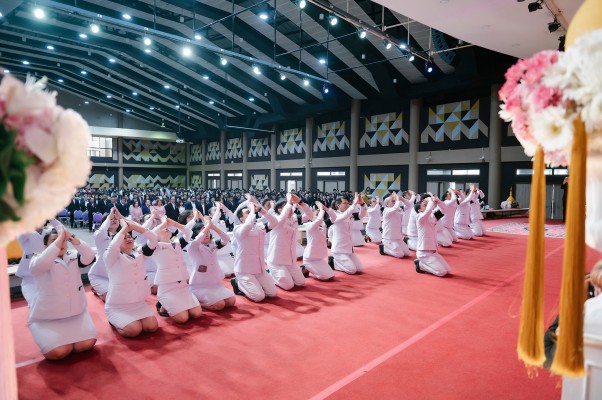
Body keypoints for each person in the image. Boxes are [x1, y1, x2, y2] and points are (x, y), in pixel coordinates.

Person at [28, 227, 97, 360]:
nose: (61, 244)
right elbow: (44, 261)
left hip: (76, 314)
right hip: (47, 319)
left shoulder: (73, 256)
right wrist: (60, 238)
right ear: (45, 246)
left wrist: (71, 237)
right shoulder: (37, 260)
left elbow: (90, 255)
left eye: (64, 241)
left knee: (86, 344)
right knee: (59, 352)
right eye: (54, 241)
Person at [103, 219, 159, 338]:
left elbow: (154, 238)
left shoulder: (140, 254)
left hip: (139, 304)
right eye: (124, 237)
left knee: (152, 327)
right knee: (134, 330)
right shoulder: (111, 257)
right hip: (118, 306)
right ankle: (113, 320)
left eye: (129, 236)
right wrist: (124, 228)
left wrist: (133, 227)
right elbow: (113, 246)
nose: (128, 238)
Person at [152, 217, 203, 323]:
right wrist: (163, 224)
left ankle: (165, 305)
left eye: (166, 227)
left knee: (197, 314)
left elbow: (188, 233)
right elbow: (151, 234)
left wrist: (174, 223)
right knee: (183, 318)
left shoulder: (177, 243)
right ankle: (162, 305)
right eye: (162, 229)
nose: (165, 228)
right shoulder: (155, 247)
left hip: (182, 287)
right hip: (167, 289)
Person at [231, 197, 278, 302]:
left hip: (259, 269)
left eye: (251, 212)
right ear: (241, 219)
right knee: (259, 297)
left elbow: (274, 222)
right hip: (244, 270)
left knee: (272, 293)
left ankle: (255, 284)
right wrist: (252, 209)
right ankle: (238, 283)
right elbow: (247, 225)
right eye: (247, 212)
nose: (251, 213)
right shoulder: (238, 229)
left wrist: (261, 210)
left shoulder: (259, 227)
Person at [188, 216, 236, 310]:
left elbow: (226, 239)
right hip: (199, 286)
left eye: (208, 232)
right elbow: (197, 240)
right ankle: (198, 302)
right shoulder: (193, 246)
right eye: (204, 233)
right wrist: (207, 227)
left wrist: (213, 227)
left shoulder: (212, 244)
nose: (206, 235)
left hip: (214, 284)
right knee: (220, 305)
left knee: (231, 302)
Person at [16, 220, 61, 305]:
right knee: (34, 303)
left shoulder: (48, 231)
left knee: (50, 304)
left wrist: (52, 218)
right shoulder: (25, 232)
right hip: (29, 276)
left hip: (47, 274)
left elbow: (62, 230)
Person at [266, 194, 306, 290]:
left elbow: (308, 215)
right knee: (288, 286)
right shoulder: (275, 219)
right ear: (280, 210)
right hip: (277, 261)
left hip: (290, 260)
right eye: (287, 206)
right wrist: (288, 202)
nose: (291, 207)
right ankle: (271, 275)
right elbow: (282, 218)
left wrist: (301, 204)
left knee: (301, 282)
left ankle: (283, 274)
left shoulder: (293, 218)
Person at [88, 207, 122, 302]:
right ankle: (98, 291)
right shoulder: (99, 236)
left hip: (117, 275)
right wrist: (109, 216)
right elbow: (101, 232)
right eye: (111, 219)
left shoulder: (123, 236)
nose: (114, 220)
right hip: (100, 275)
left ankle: (100, 289)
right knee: (111, 299)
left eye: (115, 219)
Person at [414, 196, 451, 277]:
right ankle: (420, 265)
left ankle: (423, 265)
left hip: (433, 251)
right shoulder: (419, 217)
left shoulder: (432, 216)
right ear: (419, 210)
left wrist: (438, 201)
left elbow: (444, 210)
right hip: (424, 253)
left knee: (448, 270)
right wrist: (430, 201)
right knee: (442, 272)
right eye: (424, 205)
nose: (427, 206)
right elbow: (428, 210)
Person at [301, 201, 336, 280]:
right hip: (310, 257)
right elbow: (319, 220)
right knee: (324, 277)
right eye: (316, 213)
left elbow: (334, 217)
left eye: (318, 212)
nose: (318, 213)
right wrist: (321, 208)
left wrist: (325, 208)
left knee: (331, 275)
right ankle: (305, 266)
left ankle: (308, 268)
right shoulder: (309, 225)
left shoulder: (323, 223)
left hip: (319, 256)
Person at [329, 193, 363, 274]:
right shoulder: (334, 215)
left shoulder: (349, 214)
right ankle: (333, 263)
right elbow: (344, 216)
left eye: (348, 203)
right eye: (345, 203)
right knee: (352, 270)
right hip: (339, 250)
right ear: (338, 206)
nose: (347, 205)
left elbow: (361, 215)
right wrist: (354, 203)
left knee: (360, 269)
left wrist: (362, 204)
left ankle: (339, 262)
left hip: (348, 249)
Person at [380, 192, 411, 258]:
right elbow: (395, 208)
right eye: (392, 201)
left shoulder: (399, 209)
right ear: (387, 204)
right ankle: (384, 249)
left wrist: (402, 199)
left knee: (407, 253)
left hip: (398, 237)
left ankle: (390, 248)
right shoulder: (386, 210)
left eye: (395, 200)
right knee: (400, 254)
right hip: (389, 238)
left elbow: (409, 205)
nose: (394, 201)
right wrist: (397, 199)